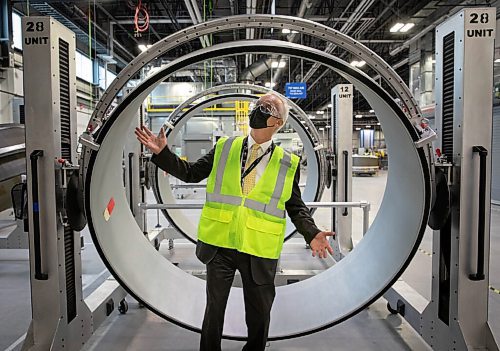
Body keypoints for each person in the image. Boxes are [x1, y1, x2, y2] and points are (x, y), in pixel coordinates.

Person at [135, 92, 335, 351]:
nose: (258, 108)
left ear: (278, 122)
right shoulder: (224, 147)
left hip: (259, 248)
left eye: (267, 107)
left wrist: (312, 233)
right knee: (214, 312)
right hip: (220, 244)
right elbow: (191, 173)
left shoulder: (288, 163)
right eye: (258, 104)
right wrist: (163, 153)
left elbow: (295, 206)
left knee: (259, 316)